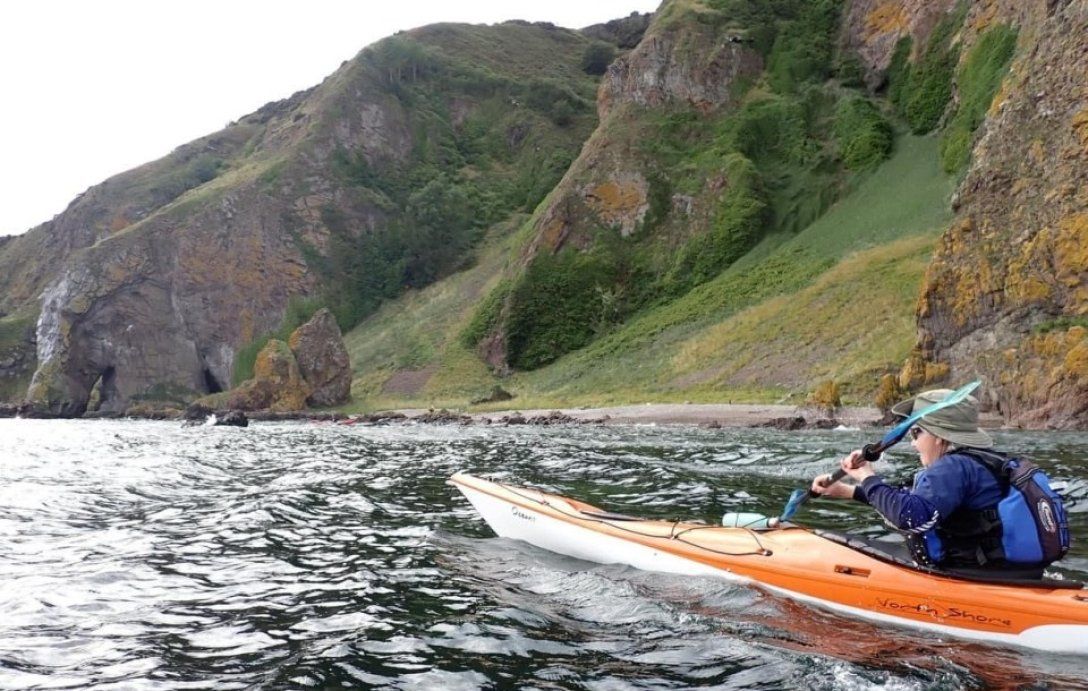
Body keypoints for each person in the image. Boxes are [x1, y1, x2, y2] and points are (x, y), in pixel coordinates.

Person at [810, 388, 1065, 575]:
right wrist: (847, 491)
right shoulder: (978, 462)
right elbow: (909, 500)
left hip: (975, 578)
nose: (912, 442)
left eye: (916, 432)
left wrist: (867, 475)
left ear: (940, 438)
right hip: (1012, 574)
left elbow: (911, 516)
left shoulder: (952, 467)